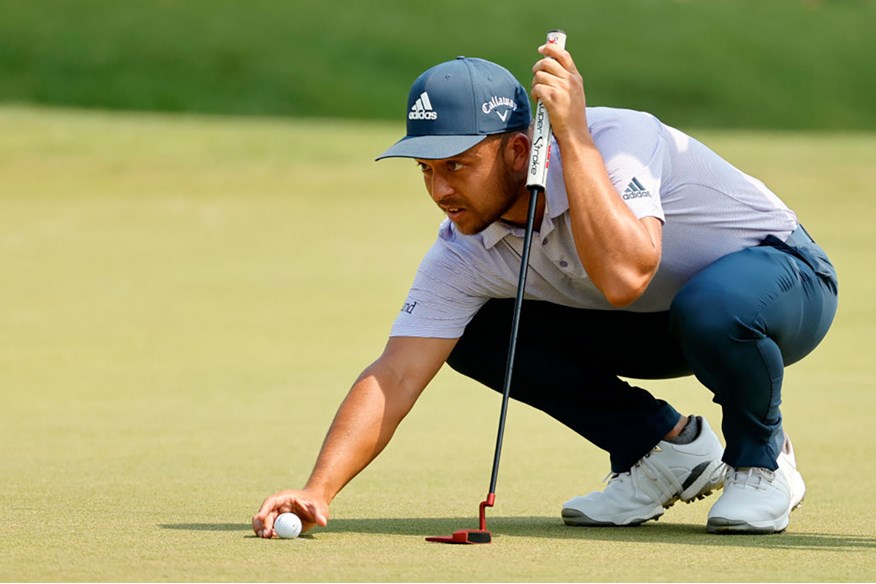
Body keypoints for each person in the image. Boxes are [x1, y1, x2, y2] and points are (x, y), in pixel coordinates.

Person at [253, 43, 838, 537]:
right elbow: (397, 373)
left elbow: (626, 275)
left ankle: (763, 464)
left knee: (712, 307)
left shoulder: (618, 138)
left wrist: (574, 136)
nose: (439, 189)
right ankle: (664, 451)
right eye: (426, 170)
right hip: (663, 321)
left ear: (516, 148)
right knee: (476, 333)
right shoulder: (462, 250)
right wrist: (317, 488)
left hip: (785, 285)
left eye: (457, 165)